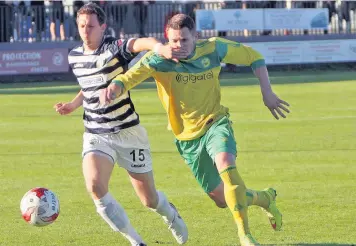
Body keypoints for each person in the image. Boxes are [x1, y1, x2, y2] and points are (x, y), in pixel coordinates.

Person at [100, 14, 289, 246]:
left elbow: (255, 57)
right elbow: (127, 79)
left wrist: (267, 92)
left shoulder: (214, 48)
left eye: (184, 40)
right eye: (174, 41)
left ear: (196, 37)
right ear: (167, 39)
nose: (179, 46)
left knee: (227, 166)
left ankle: (245, 235)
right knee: (222, 199)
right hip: (187, 139)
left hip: (215, 122)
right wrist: (113, 88)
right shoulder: (157, 60)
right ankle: (264, 198)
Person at [53, 3, 188, 246]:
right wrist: (74, 105)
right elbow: (89, 86)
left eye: (91, 26)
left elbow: (140, 43)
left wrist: (160, 48)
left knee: (149, 199)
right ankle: (136, 241)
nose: (85, 30)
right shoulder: (74, 56)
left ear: (103, 27)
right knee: (95, 186)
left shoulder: (113, 48)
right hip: (96, 133)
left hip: (128, 132)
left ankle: (171, 215)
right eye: (82, 25)